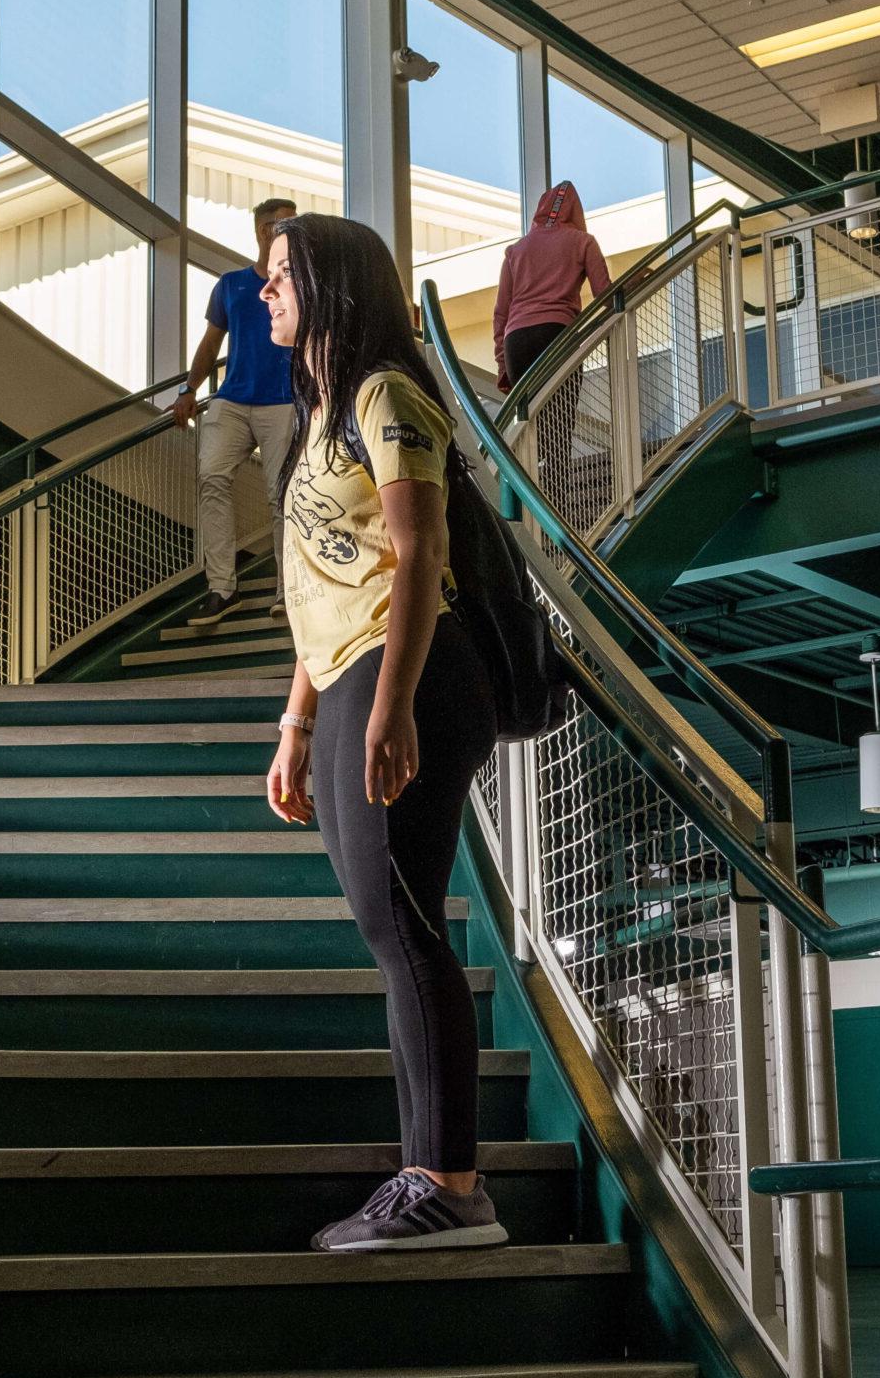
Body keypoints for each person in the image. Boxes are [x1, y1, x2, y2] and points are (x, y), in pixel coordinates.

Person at [259, 212, 504, 1252]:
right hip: (350, 677)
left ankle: (447, 1181)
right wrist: (295, 720)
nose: (264, 292)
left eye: (280, 276)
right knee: (388, 931)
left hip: (406, 669)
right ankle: (427, 1173)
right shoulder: (321, 416)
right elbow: (327, 586)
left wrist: (394, 700)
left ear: (332, 283)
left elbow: (419, 549)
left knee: (405, 927)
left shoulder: (384, 392)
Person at [178, 196, 299, 628]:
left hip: (283, 402)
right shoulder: (230, 285)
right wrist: (188, 389)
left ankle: (289, 592)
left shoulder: (303, 283)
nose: (292, 230)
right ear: (265, 231)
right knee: (211, 476)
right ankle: (221, 590)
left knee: (281, 495)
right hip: (231, 401)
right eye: (286, 224)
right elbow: (210, 344)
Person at [491, 182, 611, 499]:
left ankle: (527, 500)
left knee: (530, 422)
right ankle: (555, 500)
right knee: (560, 419)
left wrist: (503, 363)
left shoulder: (516, 251)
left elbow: (501, 313)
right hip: (556, 334)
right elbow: (605, 295)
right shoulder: (582, 241)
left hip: (517, 342)